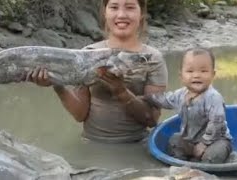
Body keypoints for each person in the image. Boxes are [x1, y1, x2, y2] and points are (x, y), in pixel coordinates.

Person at [25, 0, 168, 143]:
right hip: (91, 143)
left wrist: (121, 92)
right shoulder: (87, 54)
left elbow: (152, 119)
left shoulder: (150, 58)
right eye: (114, 7)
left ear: (141, 13)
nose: (121, 14)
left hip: (136, 145)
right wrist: (57, 84)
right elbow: (80, 114)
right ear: (105, 12)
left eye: (130, 7)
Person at [143, 48, 232, 163]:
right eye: (190, 71)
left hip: (215, 141)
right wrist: (147, 97)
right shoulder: (181, 94)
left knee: (213, 155)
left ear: (213, 74)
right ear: (181, 76)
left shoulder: (213, 97)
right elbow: (165, 100)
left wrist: (204, 144)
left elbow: (217, 123)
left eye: (203, 71)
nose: (196, 75)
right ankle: (181, 163)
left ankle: (205, 166)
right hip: (190, 140)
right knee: (174, 140)